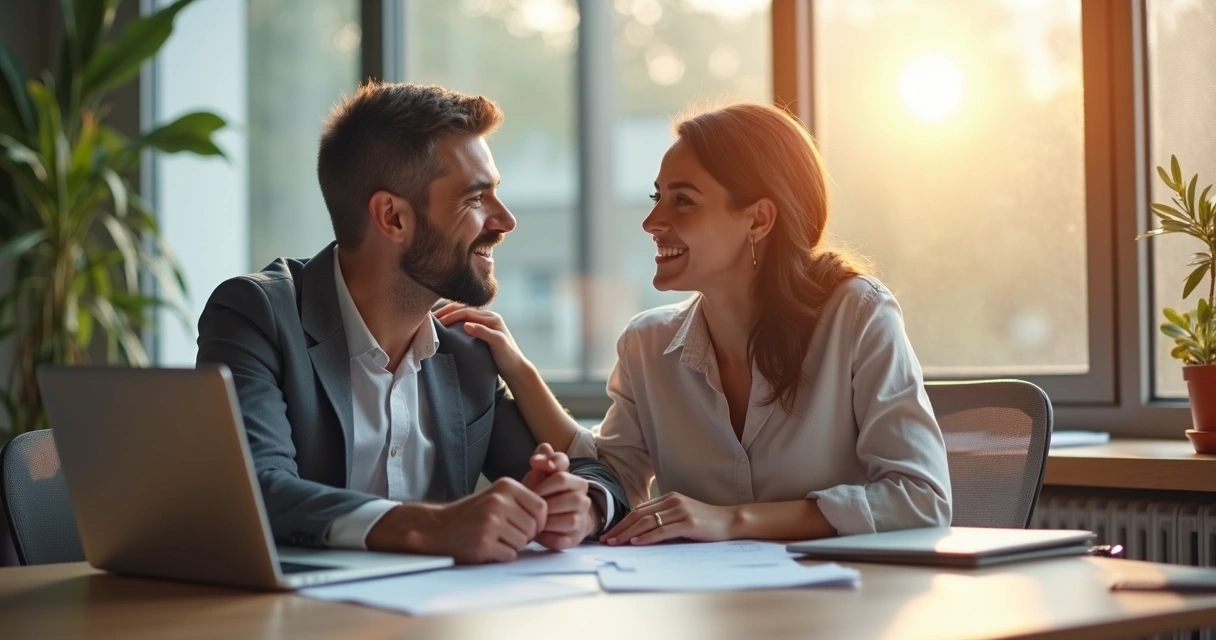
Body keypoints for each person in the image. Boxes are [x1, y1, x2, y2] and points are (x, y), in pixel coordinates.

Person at [436, 102, 951, 546]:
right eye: (658, 196)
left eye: (683, 200)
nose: (653, 222)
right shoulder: (647, 344)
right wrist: (519, 370)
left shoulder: (857, 314)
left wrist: (731, 521)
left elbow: (920, 498)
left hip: (851, 610)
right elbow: (616, 475)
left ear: (759, 219)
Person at [196, 81, 628, 564]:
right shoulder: (257, 315)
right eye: (475, 198)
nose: (505, 221)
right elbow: (257, 489)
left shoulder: (466, 351)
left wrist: (580, 506)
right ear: (393, 217)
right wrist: (430, 525)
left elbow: (596, 475)